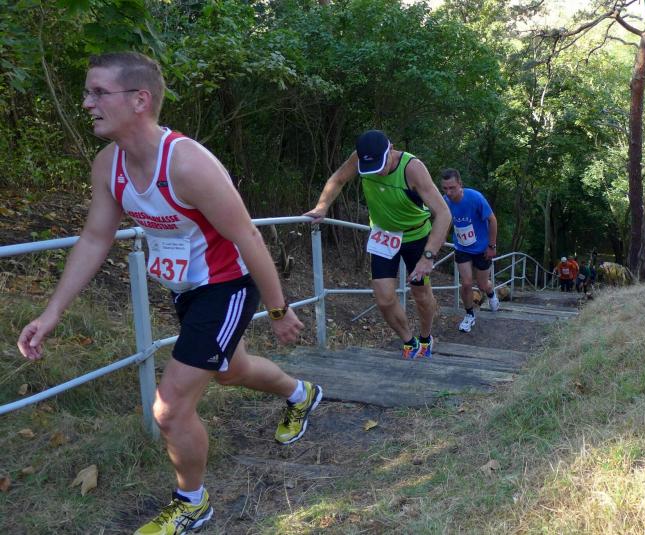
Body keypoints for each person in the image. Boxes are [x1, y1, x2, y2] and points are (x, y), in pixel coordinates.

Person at [15, 52, 322, 535]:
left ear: (140, 100)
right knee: (231, 371)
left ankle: (192, 503)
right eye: (87, 92)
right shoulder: (108, 165)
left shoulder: (187, 164)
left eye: (99, 92)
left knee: (170, 407)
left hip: (226, 285)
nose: (87, 103)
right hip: (185, 288)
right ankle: (301, 394)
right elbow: (95, 238)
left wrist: (279, 309)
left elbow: (248, 236)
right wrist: (52, 312)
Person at [305, 130, 451, 359]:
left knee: (421, 294)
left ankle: (426, 337)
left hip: (416, 237)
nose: (377, 172)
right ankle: (409, 341)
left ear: (390, 149)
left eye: (381, 165)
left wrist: (428, 257)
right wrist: (322, 206)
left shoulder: (412, 168)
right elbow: (338, 178)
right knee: (383, 298)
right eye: (371, 168)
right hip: (384, 236)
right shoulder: (360, 157)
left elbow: (444, 213)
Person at [440, 169, 499, 333]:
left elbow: (493, 220)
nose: (448, 192)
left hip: (482, 248)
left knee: (482, 284)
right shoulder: (445, 201)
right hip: (462, 247)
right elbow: (447, 219)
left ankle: (491, 293)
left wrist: (492, 246)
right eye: (445, 188)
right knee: (466, 283)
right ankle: (469, 315)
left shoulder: (475, 198)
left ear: (460, 184)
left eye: (452, 188)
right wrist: (442, 236)